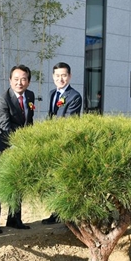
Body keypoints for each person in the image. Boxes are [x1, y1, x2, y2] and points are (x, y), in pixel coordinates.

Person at [0, 65, 35, 233]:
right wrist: (19, 141)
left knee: (18, 182)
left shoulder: (30, 96)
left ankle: (14, 219)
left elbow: (29, 122)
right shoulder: (2, 100)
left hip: (20, 146)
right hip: (2, 146)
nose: (19, 83)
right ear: (10, 80)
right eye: (16, 79)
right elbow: (5, 126)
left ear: (28, 81)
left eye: (23, 79)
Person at [41, 62, 82, 225]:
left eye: (64, 75)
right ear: (53, 77)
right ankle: (57, 213)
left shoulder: (74, 96)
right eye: (57, 76)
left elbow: (68, 121)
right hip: (53, 143)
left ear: (70, 76)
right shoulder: (52, 93)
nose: (60, 78)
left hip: (65, 142)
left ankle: (68, 216)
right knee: (54, 180)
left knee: (65, 180)